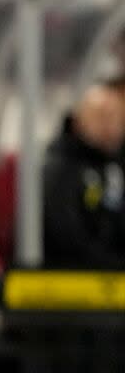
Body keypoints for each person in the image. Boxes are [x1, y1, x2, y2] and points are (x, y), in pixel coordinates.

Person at [43, 84, 125, 268]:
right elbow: (66, 236)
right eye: (103, 117)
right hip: (68, 277)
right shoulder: (61, 169)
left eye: (117, 119)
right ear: (79, 121)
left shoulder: (112, 168)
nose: (112, 127)